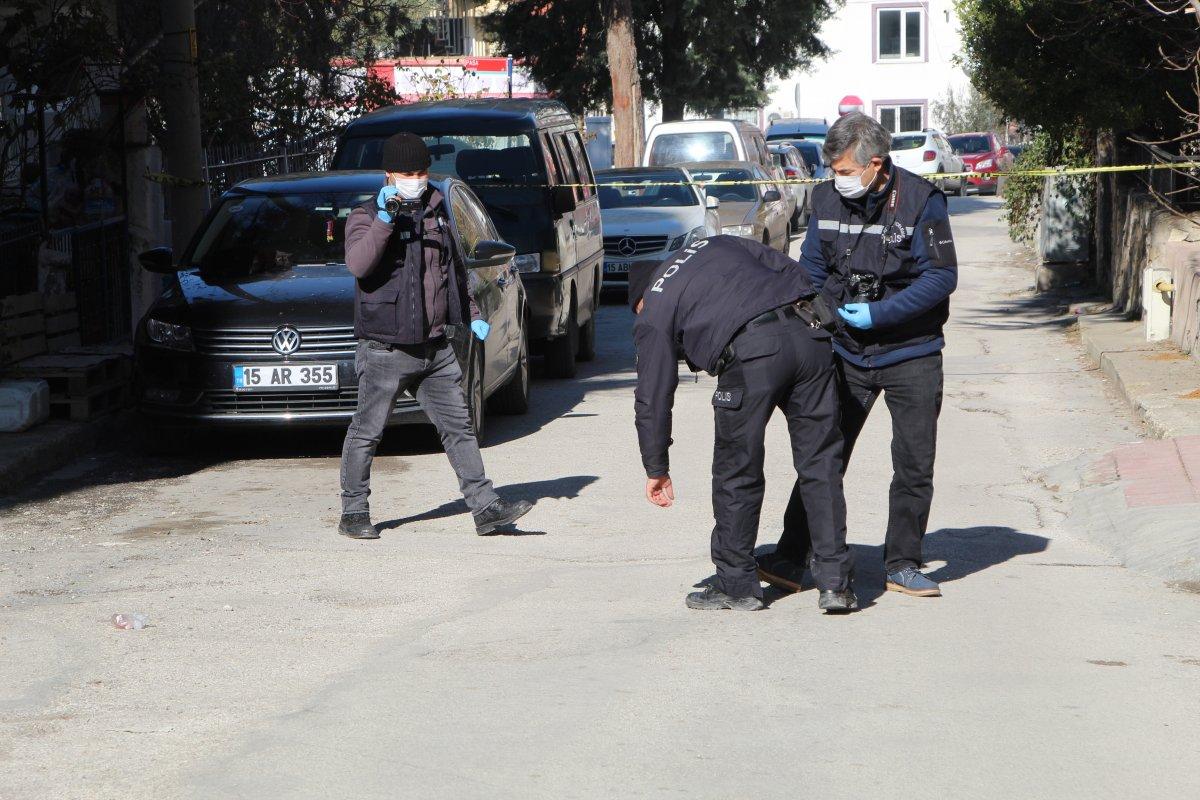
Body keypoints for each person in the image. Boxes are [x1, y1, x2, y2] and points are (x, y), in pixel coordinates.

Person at [759, 112, 958, 598]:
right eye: (833, 170)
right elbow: (810, 266)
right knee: (823, 458)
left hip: (912, 351)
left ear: (876, 164)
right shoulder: (826, 197)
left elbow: (941, 277)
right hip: (846, 350)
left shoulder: (922, 200)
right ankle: (791, 557)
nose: (837, 179)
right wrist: (815, 313)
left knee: (914, 463)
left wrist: (881, 313)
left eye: (845, 170)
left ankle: (903, 563)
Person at [631, 235, 857, 613]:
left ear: (639, 301)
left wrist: (656, 467)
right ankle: (835, 584)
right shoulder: (713, 245)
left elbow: (652, 395)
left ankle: (737, 585)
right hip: (810, 335)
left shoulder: (653, 305)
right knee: (821, 463)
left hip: (753, 354)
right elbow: (790, 267)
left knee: (737, 468)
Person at [338, 133, 532, 539]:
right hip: (386, 347)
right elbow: (359, 265)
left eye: (420, 172)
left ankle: (485, 507)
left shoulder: (437, 211)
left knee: (459, 426)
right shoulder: (364, 216)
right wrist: (385, 220)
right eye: (407, 173)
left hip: (435, 347)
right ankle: (353, 512)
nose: (415, 180)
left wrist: (472, 314)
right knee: (367, 431)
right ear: (388, 175)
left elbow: (454, 270)